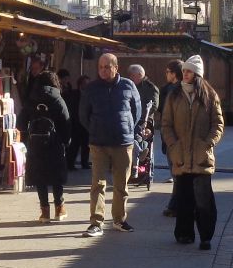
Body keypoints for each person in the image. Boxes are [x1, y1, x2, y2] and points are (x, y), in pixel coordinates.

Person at [162, 55, 225, 249]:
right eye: (184, 71)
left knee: (204, 201)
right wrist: (173, 145)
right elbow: (166, 124)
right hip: (180, 156)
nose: (185, 74)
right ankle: (184, 234)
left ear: (197, 74)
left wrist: (208, 143)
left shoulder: (209, 95)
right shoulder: (174, 95)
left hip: (201, 156)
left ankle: (206, 236)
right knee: (184, 199)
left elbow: (218, 123)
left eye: (188, 71)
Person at [77, 52, 142, 237]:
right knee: (98, 184)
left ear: (116, 67)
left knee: (121, 184)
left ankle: (119, 220)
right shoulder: (92, 88)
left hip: (123, 142)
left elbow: (136, 111)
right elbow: (83, 114)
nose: (103, 70)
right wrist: (95, 129)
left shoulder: (128, 85)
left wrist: (127, 128)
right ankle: (96, 222)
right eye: (100, 67)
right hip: (99, 144)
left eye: (107, 67)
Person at [19, 69, 70, 223]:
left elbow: (20, 122)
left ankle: (44, 212)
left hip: (35, 144)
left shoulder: (31, 99)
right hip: (55, 143)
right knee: (56, 176)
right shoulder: (58, 99)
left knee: (40, 176)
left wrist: (28, 136)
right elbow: (66, 122)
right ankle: (59, 209)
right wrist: (65, 141)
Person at [157, 59, 182, 197]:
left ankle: (176, 199)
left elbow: (162, 110)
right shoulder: (166, 89)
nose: (166, 74)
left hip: (174, 132)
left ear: (174, 74)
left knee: (175, 166)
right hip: (170, 132)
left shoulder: (174, 89)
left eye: (168, 72)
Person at [68, 75, 91, 170]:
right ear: (80, 84)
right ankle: (70, 164)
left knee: (86, 145)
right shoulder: (73, 94)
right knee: (74, 145)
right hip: (76, 123)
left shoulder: (90, 95)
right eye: (85, 83)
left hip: (86, 123)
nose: (87, 85)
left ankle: (84, 163)